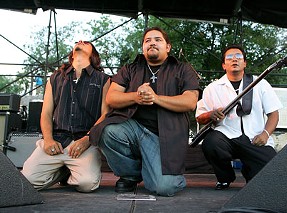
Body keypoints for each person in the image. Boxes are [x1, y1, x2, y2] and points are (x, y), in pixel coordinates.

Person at [90, 27, 200, 196]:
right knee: (106, 131)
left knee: (165, 188)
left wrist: (155, 98)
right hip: (132, 128)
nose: (152, 43)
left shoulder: (183, 69)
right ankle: (131, 174)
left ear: (168, 47)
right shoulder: (130, 69)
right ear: (143, 47)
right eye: (147, 41)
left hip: (164, 137)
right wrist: (137, 97)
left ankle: (161, 174)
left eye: (158, 40)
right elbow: (111, 98)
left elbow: (190, 102)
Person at [21, 40, 110, 192]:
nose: (80, 41)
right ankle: (63, 172)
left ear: (93, 55)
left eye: (86, 42)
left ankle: (71, 170)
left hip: (84, 142)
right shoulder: (55, 77)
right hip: (57, 141)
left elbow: (106, 114)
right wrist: (48, 140)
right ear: (71, 55)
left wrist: (87, 139)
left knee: (87, 184)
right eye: (78, 42)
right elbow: (46, 112)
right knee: (27, 182)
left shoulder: (103, 79)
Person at [196, 44, 282, 190]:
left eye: (238, 56)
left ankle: (251, 173)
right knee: (211, 142)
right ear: (224, 65)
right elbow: (199, 117)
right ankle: (225, 178)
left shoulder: (260, 83)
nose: (234, 59)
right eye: (229, 57)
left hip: (254, 138)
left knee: (270, 173)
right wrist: (211, 114)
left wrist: (265, 134)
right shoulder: (213, 88)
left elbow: (273, 114)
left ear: (245, 63)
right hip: (226, 137)